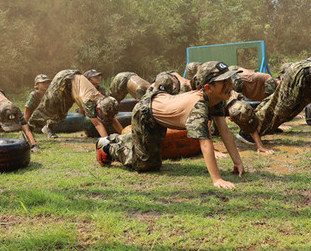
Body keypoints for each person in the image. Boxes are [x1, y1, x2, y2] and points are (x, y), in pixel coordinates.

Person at [97, 61, 245, 189]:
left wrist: (237, 162)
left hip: (160, 111)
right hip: (146, 112)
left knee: (153, 161)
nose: (229, 85)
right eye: (223, 82)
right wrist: (217, 179)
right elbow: (205, 144)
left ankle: (128, 140)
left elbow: (225, 132)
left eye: (229, 80)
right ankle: (108, 146)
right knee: (145, 164)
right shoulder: (198, 107)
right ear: (208, 88)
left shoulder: (216, 100)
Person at [28, 69, 121, 138]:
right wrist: (106, 141)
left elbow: (111, 118)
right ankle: (28, 130)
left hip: (72, 89)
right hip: (64, 79)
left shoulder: (105, 99)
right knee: (48, 106)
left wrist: (124, 134)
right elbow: (97, 124)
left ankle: (48, 127)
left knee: (62, 112)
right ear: (98, 107)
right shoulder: (89, 101)